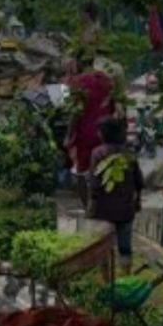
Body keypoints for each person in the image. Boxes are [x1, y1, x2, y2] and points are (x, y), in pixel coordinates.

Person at [88, 117, 144, 272]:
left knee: (103, 247)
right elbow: (139, 181)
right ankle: (126, 277)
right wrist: (138, 201)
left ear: (104, 134)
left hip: (103, 210)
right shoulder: (128, 154)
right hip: (125, 209)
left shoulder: (98, 153)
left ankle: (106, 282)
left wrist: (92, 207)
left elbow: (94, 183)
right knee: (125, 247)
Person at [65, 57, 115, 203]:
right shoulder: (108, 81)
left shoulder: (78, 83)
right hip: (105, 134)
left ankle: (88, 207)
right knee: (105, 169)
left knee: (82, 171)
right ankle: (104, 203)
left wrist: (69, 134)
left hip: (85, 134)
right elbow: (114, 109)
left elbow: (75, 112)